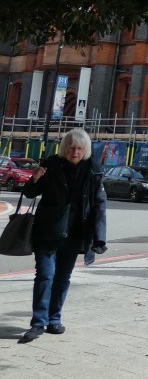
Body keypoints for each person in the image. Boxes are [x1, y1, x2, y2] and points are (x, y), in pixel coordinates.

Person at [19, 128, 107, 343]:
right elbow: (30, 193)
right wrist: (34, 179)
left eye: (79, 148)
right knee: (45, 275)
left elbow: (99, 205)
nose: (74, 152)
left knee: (62, 278)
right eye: (70, 147)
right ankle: (38, 323)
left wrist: (99, 238)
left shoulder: (94, 170)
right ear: (64, 148)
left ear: (85, 150)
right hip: (47, 230)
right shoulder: (51, 164)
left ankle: (54, 319)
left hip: (75, 233)